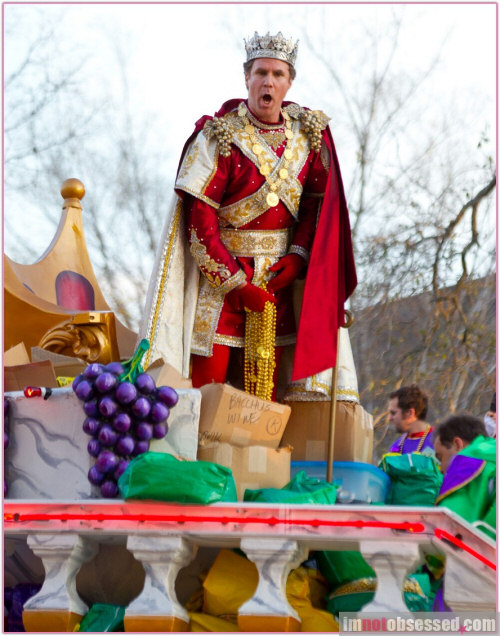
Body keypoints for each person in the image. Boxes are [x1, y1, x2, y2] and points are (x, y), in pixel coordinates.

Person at [138, 31, 357, 396]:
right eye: (260, 73)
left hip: (278, 287)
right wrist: (237, 285)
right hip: (221, 289)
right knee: (207, 397)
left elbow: (316, 210)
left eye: (277, 74)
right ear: (247, 78)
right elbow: (199, 226)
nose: (267, 81)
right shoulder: (218, 136)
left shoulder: (309, 136)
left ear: (289, 82)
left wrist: (299, 257)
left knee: (269, 401)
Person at [434, 413, 496, 531]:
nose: (441, 469)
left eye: (441, 457)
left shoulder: (466, 463)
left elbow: (453, 529)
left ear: (457, 444)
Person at [387, 385, 434, 455]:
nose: (389, 418)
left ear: (410, 413)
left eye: (393, 413)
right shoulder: (397, 447)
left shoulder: (439, 443)